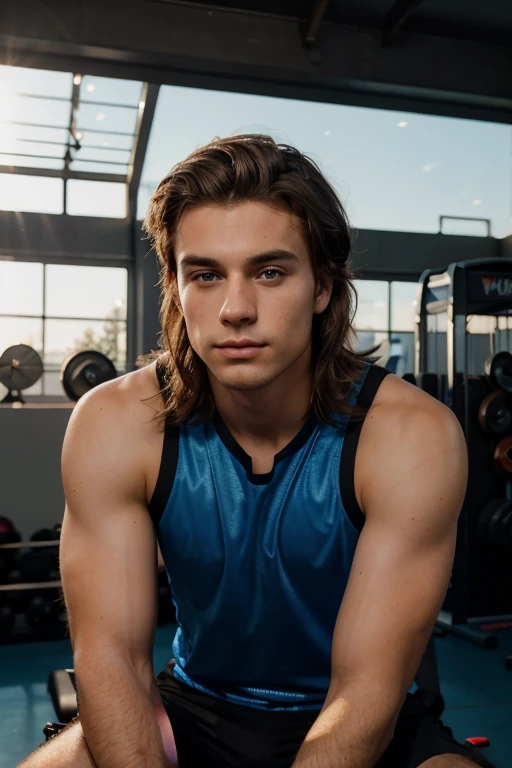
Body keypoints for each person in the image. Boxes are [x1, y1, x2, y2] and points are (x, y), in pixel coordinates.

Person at [18, 135, 495, 768]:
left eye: (270, 272)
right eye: (206, 275)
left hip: (358, 720)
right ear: (176, 288)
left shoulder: (411, 436)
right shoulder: (114, 422)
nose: (236, 309)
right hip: (191, 706)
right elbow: (113, 659)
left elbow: (365, 693)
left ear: (323, 287)